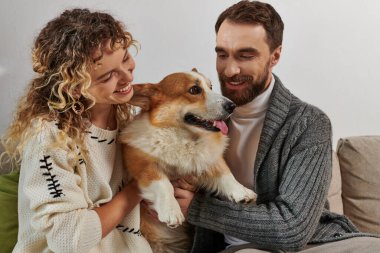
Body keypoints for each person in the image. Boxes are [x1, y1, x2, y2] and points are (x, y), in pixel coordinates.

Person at [177, 1, 380, 252]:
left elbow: (291, 228)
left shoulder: (308, 124)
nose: (230, 70)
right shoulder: (194, 120)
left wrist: (199, 209)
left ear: (275, 55)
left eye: (246, 55)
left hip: (315, 242)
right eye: (222, 54)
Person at [1, 8, 153, 252]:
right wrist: (137, 190)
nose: (127, 77)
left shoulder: (126, 117)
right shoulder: (49, 139)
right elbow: (70, 240)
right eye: (107, 76)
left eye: (125, 59)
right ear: (73, 88)